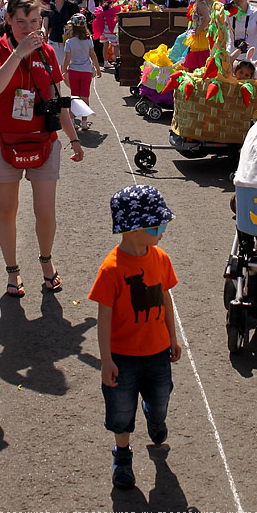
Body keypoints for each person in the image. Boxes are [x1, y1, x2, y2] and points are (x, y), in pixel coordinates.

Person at [0, 0, 84, 297]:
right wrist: (17, 55)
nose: (28, 28)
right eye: (20, 22)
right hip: (4, 141)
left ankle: (46, 263)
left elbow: (57, 100)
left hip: (43, 141)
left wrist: (74, 139)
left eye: (33, 21)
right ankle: (12, 271)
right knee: (7, 210)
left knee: (46, 212)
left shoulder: (48, 53)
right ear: (9, 22)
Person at [88, 184, 181, 490]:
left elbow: (165, 299)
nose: (163, 230)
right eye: (159, 225)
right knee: (120, 409)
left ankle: (155, 418)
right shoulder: (111, 269)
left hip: (157, 351)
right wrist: (106, 360)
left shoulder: (160, 258)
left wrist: (173, 336)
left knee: (161, 398)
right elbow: (103, 318)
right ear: (134, 229)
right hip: (123, 356)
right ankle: (123, 455)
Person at [62, 13, 101, 130]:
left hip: (73, 71)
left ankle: (72, 122)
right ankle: (84, 122)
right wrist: (98, 68)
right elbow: (93, 56)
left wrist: (64, 70)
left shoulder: (69, 42)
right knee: (85, 97)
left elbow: (67, 60)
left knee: (74, 97)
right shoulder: (88, 40)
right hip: (86, 71)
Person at [42, 0, 79, 66]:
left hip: (68, 41)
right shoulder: (49, 7)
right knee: (52, 68)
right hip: (53, 41)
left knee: (67, 69)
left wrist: (72, 31)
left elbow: (77, 23)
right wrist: (43, 32)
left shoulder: (71, 6)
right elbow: (45, 23)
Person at [183, 0, 213, 71]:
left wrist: (197, 31)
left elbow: (207, 18)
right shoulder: (207, 1)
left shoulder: (201, 4)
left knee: (196, 65)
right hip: (204, 36)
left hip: (200, 37)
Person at [93, 0, 121, 68]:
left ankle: (105, 62)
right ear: (111, 2)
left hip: (103, 31)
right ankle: (118, 61)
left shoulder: (101, 10)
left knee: (105, 46)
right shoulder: (112, 11)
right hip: (110, 31)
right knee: (116, 45)